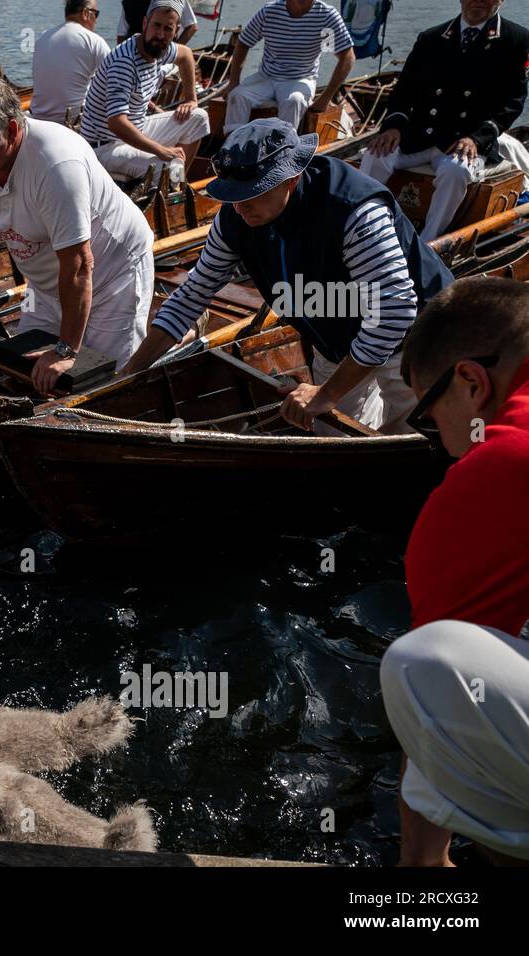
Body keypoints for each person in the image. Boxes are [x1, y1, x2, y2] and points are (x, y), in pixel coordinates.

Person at [121, 119, 453, 434]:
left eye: (253, 194)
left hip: (415, 336)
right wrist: (131, 374)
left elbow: (393, 314)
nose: (240, 208)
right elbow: (193, 294)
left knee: (421, 435)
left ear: (291, 180)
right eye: (234, 196)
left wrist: (325, 394)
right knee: (335, 436)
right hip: (335, 337)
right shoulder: (236, 217)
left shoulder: (353, 210)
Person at [380, 276, 529, 865]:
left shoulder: (494, 470)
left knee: (422, 663)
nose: (440, 442)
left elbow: (437, 699)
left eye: (429, 417)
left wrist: (421, 868)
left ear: (470, 383)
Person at [0, 79, 155, 393]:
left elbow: (80, 264)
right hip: (48, 283)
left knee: (108, 381)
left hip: (113, 273)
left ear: (13, 130)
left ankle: (177, 336)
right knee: (23, 372)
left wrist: (67, 350)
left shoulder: (56, 163)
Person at [359, 0, 529, 242]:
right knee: (374, 155)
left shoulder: (516, 39)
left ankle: (429, 243)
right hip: (419, 137)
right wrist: (394, 126)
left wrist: (476, 139)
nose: (477, 1)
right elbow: (403, 91)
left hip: (465, 141)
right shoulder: (431, 37)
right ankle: (367, 230)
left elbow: (512, 102)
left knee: (456, 171)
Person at [79, 0, 210, 182]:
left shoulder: (161, 48)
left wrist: (190, 99)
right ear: (145, 24)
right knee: (168, 168)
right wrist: (161, 150)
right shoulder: (124, 62)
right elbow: (116, 123)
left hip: (137, 128)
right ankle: (171, 194)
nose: (160, 34)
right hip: (104, 147)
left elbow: (186, 55)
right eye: (156, 25)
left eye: (168, 29)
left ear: (176, 31)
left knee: (199, 117)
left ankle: (177, 189)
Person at [223, 0, 354, 136]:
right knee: (237, 95)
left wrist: (325, 98)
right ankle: (234, 145)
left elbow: (347, 57)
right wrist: (233, 82)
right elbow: (243, 43)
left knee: (294, 100)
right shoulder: (269, 11)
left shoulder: (326, 15)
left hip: (300, 78)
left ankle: (283, 147)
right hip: (266, 77)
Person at [30, 1, 111, 127]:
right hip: (73, 123)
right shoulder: (95, 41)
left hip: (38, 119)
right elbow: (116, 82)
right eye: (96, 14)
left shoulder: (42, 37)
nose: (96, 21)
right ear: (85, 13)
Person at [116, 0, 197, 43]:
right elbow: (121, 34)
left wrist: (175, 51)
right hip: (134, 53)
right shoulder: (129, 2)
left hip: (162, 52)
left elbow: (192, 27)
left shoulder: (176, 1)